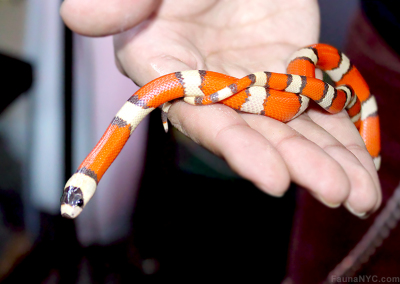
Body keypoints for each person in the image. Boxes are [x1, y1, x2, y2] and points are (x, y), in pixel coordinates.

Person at [60, 0, 383, 281]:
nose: (73, 205)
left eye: (74, 199)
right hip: (381, 29)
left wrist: (318, 92)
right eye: (76, 200)